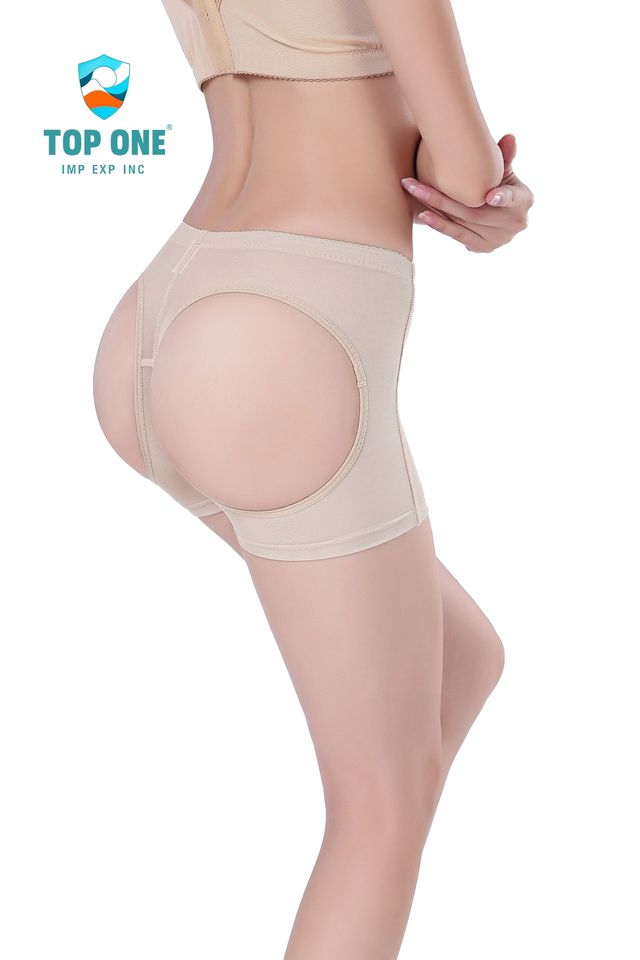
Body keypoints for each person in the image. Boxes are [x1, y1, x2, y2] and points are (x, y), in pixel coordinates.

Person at [92, 1, 533, 956]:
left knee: (467, 658)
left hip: (162, 316)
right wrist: (499, 198)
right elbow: (463, 176)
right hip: (287, 328)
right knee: (380, 808)